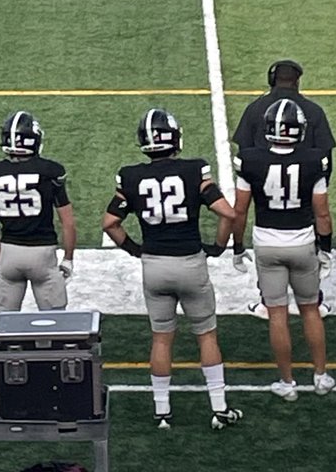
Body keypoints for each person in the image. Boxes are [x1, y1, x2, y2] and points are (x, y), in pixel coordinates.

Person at [101, 109, 241, 431]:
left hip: (154, 266)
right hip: (190, 263)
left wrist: (135, 249)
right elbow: (229, 214)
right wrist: (218, 246)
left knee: (161, 339)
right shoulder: (193, 170)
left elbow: (110, 223)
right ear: (175, 138)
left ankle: (162, 411)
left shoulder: (131, 176)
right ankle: (219, 408)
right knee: (206, 334)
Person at [233, 99, 336, 402]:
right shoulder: (314, 160)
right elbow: (322, 213)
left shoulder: (250, 160)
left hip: (267, 243)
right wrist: (326, 249)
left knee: (277, 314)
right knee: (310, 309)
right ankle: (321, 376)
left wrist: (237, 247)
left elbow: (240, 211)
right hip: (302, 242)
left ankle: (287, 382)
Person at [0, 111, 76, 312]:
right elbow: (67, 222)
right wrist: (68, 258)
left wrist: (1, 261)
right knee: (54, 321)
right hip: (43, 254)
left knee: (6, 322)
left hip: (10, 252)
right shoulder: (51, 172)